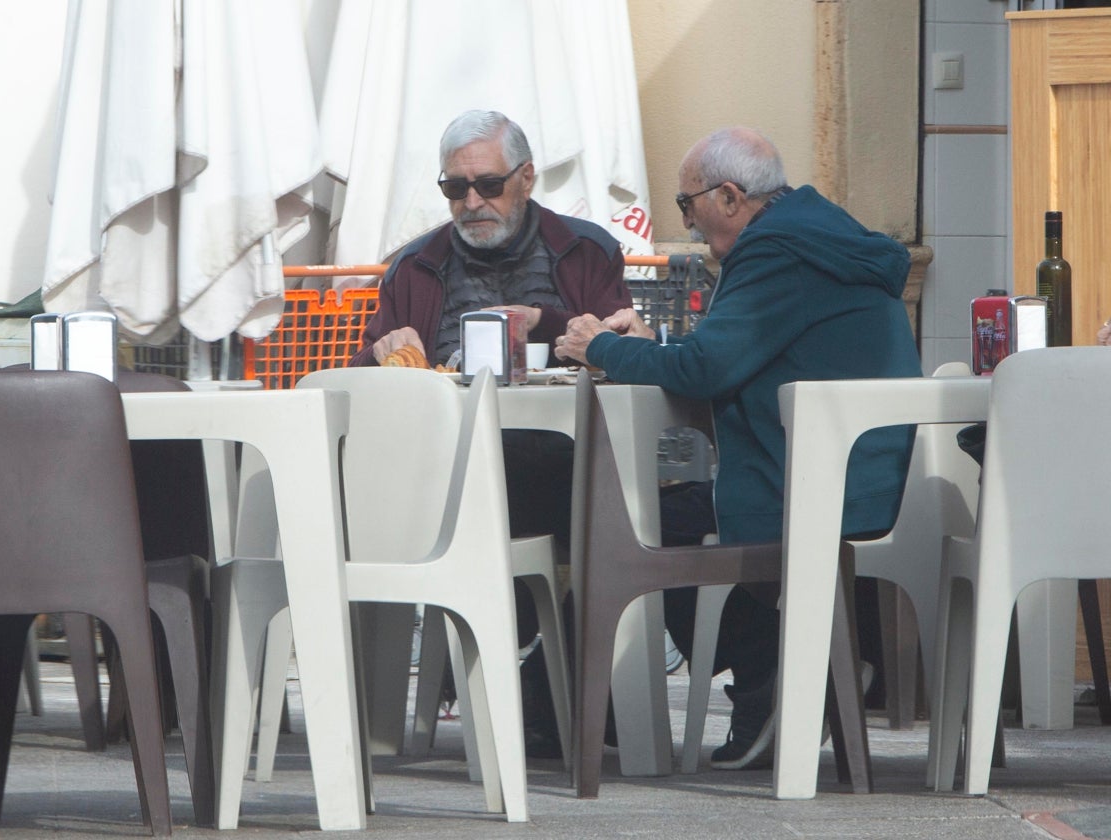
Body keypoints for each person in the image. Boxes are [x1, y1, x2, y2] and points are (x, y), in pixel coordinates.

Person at [556, 126, 922, 770]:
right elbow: (738, 354)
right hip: (863, 475)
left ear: (728, 197)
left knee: (647, 525)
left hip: (815, 488)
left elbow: (706, 370)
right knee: (674, 515)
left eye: (686, 205)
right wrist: (651, 346)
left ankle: (768, 681)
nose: (689, 226)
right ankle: (788, 673)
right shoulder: (820, 235)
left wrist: (602, 348)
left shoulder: (774, 251)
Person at [349, 109, 635, 758]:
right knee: (490, 483)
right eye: (455, 188)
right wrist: (384, 355)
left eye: (487, 184)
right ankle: (529, 686)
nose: (471, 202)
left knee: (556, 486)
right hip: (444, 475)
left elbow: (616, 347)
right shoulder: (413, 266)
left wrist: (544, 320)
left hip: (567, 464)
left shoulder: (586, 251)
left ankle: (531, 683)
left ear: (528, 178)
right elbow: (372, 375)